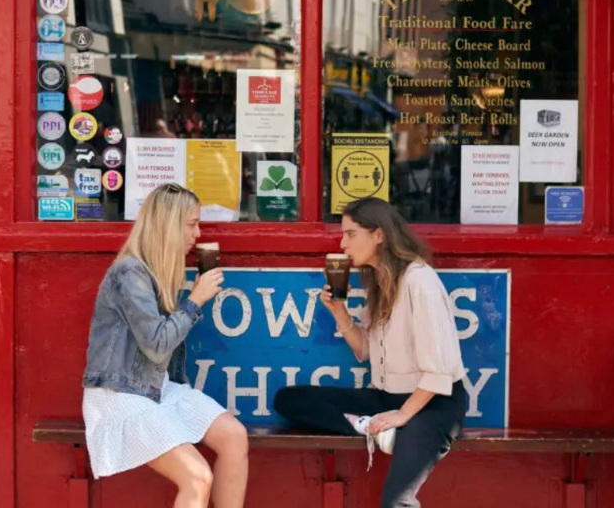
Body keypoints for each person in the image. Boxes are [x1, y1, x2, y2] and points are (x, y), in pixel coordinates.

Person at [273, 197, 466, 508]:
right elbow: (365, 351)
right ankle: (373, 428)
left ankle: (387, 429)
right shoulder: (379, 281)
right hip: (387, 399)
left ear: (379, 235)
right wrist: (340, 312)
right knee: (289, 400)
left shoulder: (420, 280)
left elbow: (439, 371)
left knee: (396, 501)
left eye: (351, 234)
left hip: (432, 405)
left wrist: (403, 415)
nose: (342, 244)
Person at [81, 183, 249, 508]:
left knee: (234, 436)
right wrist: (195, 301)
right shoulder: (129, 273)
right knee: (197, 478)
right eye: (191, 224)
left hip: (155, 388)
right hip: (120, 395)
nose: (198, 234)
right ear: (168, 225)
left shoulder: (156, 271)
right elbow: (157, 346)